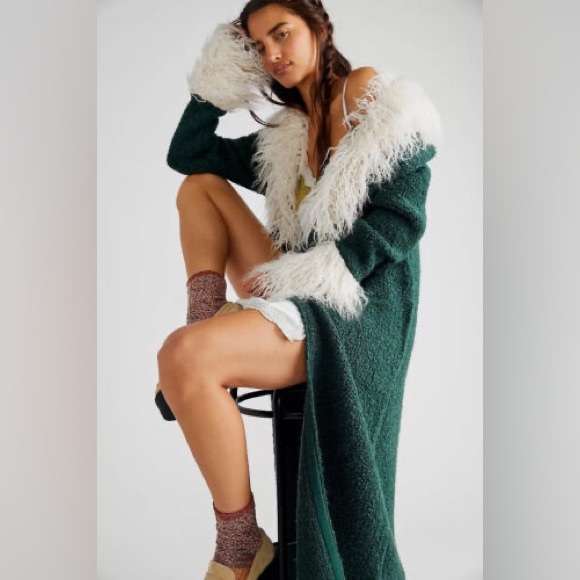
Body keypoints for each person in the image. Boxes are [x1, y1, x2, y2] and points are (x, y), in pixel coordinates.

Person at [155, 1, 442, 579]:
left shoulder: (363, 91)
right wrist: (218, 77)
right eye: (257, 47)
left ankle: (238, 548)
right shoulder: (286, 134)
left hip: (357, 307)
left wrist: (321, 278)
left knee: (181, 357)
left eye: (282, 34)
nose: (273, 55)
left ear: (318, 27)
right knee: (200, 187)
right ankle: (207, 324)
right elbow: (186, 154)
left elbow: (402, 216)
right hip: (298, 288)